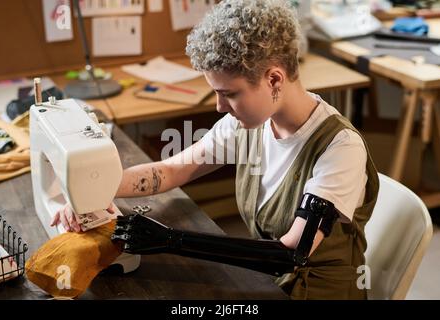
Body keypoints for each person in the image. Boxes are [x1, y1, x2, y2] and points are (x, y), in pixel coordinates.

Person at [52, 0, 379, 300]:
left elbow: (291, 252)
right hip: (268, 282)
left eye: (229, 94)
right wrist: (90, 192)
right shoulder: (249, 125)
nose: (221, 107)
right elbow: (171, 171)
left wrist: (171, 240)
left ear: (274, 80)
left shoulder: (339, 149)